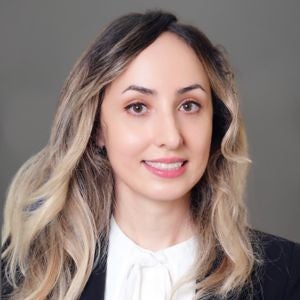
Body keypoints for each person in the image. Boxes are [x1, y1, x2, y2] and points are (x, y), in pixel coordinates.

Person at [1, 9, 300, 300]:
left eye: (189, 105)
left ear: (216, 123)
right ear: (96, 129)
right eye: (138, 107)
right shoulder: (24, 272)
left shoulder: (288, 275)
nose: (171, 137)